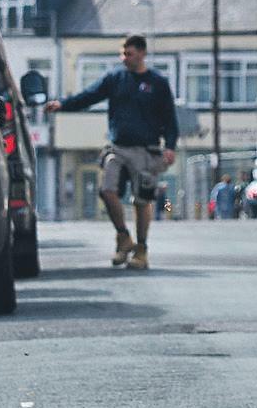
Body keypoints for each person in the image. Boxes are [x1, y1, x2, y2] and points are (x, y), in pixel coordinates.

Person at [58, 35, 181, 270]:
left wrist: (171, 147)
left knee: (142, 199)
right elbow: (90, 96)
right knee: (107, 190)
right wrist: (63, 105)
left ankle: (141, 249)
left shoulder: (158, 83)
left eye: (129, 54)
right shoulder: (115, 78)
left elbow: (170, 119)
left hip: (147, 150)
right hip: (118, 147)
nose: (124, 58)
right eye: (122, 53)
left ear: (142, 53)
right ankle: (123, 238)